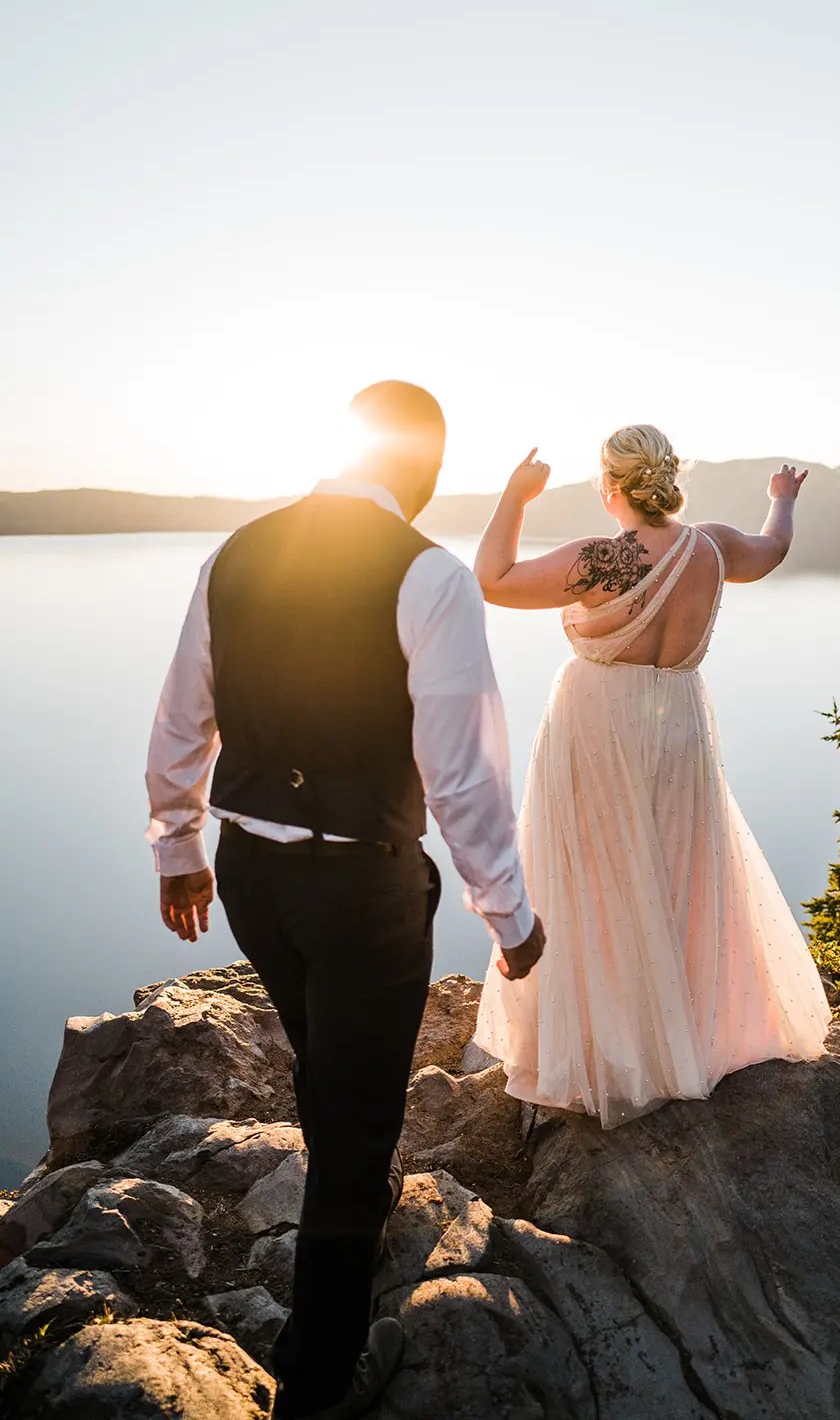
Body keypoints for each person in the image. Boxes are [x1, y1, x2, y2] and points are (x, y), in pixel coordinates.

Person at [145, 381, 545, 1420]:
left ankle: (344, 1214)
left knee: (333, 1072)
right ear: (425, 470)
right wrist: (510, 917)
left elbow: (184, 709)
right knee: (361, 1122)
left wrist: (178, 845)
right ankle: (316, 1378)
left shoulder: (236, 553)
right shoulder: (429, 576)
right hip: (362, 883)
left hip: (250, 875)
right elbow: (460, 776)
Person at [472, 424, 831, 1130]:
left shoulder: (601, 559)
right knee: (679, 866)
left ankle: (605, 1045)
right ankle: (683, 1033)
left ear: (610, 485)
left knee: (592, 874)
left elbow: (492, 581)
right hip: (677, 720)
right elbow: (773, 550)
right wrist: (781, 498)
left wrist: (512, 498)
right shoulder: (713, 545)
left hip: (597, 722)